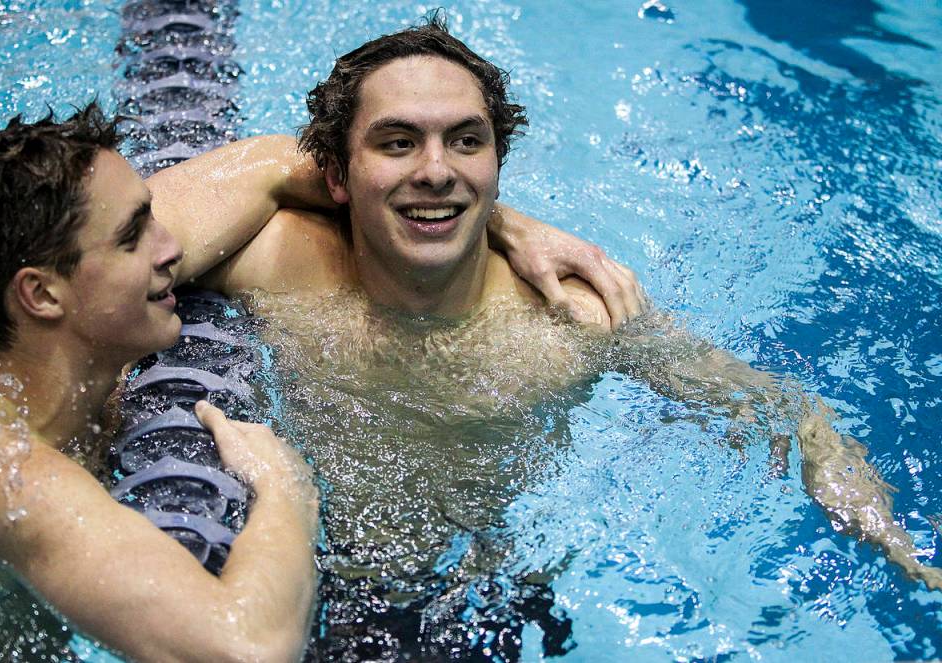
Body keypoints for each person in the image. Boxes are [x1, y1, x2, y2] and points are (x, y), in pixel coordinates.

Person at [187, 16, 942, 654]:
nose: (437, 171)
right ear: (335, 175)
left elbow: (789, 411)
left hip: (487, 593)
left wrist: (882, 527)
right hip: (309, 579)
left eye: (466, 141)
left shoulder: (573, 316)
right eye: (396, 142)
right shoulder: (278, 264)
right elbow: (113, 244)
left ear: (498, 161)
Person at [0, 97, 645, 657]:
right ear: (41, 294)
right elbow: (246, 648)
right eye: (136, 232)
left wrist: (508, 225)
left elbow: (269, 165)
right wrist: (288, 490)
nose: (174, 244)